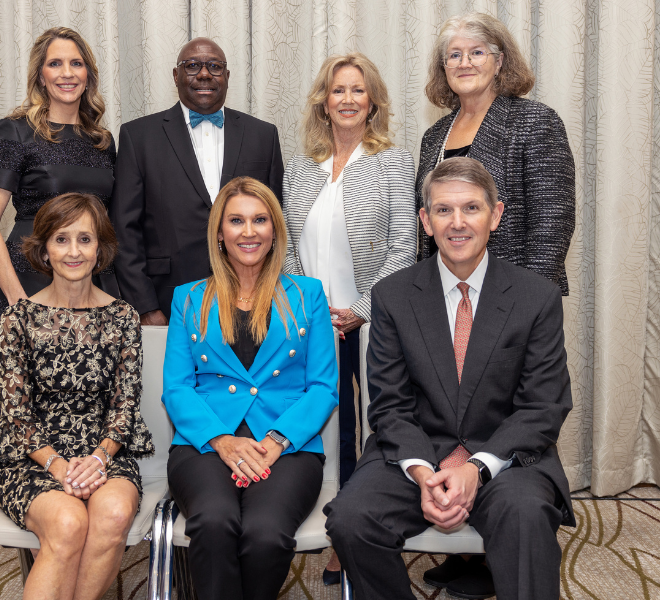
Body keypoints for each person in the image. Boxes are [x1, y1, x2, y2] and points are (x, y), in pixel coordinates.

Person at [324, 157, 575, 600]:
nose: (457, 223)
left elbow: (543, 406)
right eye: (443, 210)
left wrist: (477, 468)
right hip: (417, 454)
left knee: (526, 515)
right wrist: (424, 473)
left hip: (505, 459)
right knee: (351, 517)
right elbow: (389, 405)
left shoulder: (537, 296)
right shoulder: (393, 296)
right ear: (425, 220)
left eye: (471, 209)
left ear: (495, 215)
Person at [162, 177, 338, 600]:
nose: (248, 231)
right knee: (214, 522)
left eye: (260, 220)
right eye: (236, 220)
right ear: (219, 232)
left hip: (288, 441)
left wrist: (277, 439)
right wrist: (222, 440)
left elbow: (323, 388)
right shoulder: (188, 299)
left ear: (275, 229)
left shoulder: (307, 295)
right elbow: (177, 389)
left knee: (264, 533)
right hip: (205, 440)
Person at [282, 51, 416, 585]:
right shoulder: (299, 170)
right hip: (311, 323)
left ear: (373, 101)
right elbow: (287, 250)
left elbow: (405, 248)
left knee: (372, 425)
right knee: (326, 429)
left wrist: (360, 310)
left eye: (358, 90)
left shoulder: (394, 163)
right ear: (323, 101)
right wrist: (309, 311)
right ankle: (334, 522)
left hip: (372, 321)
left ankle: (362, 527)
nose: (347, 99)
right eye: (338, 90)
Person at [0, 192, 154, 600]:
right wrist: (58, 466)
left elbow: (124, 406)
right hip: (32, 457)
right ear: (43, 248)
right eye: (61, 239)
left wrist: (97, 459)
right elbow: (16, 415)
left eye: (85, 239)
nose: (73, 251)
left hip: (104, 453)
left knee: (112, 516)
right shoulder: (17, 318)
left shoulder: (123, 316)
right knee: (68, 523)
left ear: (101, 248)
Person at [0, 27, 119, 394]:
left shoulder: (102, 140)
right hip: (27, 282)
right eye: (56, 64)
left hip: (88, 289)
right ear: (41, 75)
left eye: (76, 64)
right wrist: (22, 306)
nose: (67, 73)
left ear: (88, 75)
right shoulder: (15, 131)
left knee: (85, 416)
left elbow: (109, 224)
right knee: (26, 425)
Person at [109, 37, 284, 326]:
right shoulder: (138, 137)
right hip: (167, 300)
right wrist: (145, 306)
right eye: (192, 65)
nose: (204, 73)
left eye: (215, 66)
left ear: (227, 77)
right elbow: (123, 231)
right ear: (176, 76)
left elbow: (276, 223)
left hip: (253, 300)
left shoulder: (263, 135)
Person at [416, 12, 575, 297]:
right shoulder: (434, 136)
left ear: (499, 61)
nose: (464, 63)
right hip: (442, 295)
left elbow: (551, 223)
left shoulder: (536, 121)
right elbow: (427, 228)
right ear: (444, 67)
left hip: (510, 296)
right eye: (454, 55)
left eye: (476, 52)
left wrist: (528, 301)